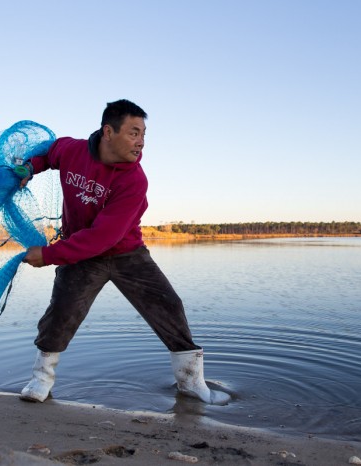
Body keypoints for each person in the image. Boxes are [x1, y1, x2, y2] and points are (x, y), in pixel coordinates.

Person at [18, 99, 229, 405]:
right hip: (81, 254)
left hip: (127, 253)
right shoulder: (72, 150)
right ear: (108, 131)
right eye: (133, 133)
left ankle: (191, 382)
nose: (141, 142)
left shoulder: (134, 179)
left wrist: (48, 255)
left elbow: (103, 236)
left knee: (169, 305)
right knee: (61, 312)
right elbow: (48, 154)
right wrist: (29, 168)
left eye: (144, 134)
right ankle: (41, 379)